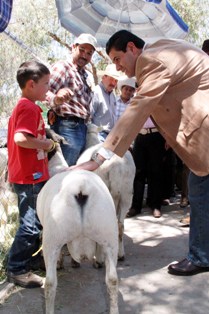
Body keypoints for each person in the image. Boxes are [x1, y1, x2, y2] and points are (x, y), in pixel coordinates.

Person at [70, 30, 209, 277]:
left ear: (132, 48)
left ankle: (201, 256)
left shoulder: (150, 61)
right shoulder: (161, 47)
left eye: (117, 59)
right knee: (200, 190)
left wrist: (100, 158)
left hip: (203, 128)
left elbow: (139, 108)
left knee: (199, 192)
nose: (117, 66)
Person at [7, 60, 54, 288]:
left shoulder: (26, 106)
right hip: (30, 177)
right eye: (45, 84)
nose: (48, 88)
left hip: (30, 175)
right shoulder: (29, 107)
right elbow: (20, 139)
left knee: (36, 220)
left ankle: (32, 259)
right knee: (30, 225)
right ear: (31, 84)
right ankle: (16, 268)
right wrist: (45, 144)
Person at [46, 33, 97, 165]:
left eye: (89, 53)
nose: (85, 55)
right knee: (64, 172)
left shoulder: (84, 75)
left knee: (74, 172)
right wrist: (56, 99)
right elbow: (43, 90)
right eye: (82, 50)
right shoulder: (63, 67)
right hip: (66, 126)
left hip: (81, 127)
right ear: (73, 47)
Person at [90, 63, 120, 142]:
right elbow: (88, 117)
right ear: (104, 77)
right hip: (99, 135)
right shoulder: (95, 92)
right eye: (111, 79)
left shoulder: (112, 95)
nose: (113, 83)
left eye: (116, 80)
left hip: (110, 136)